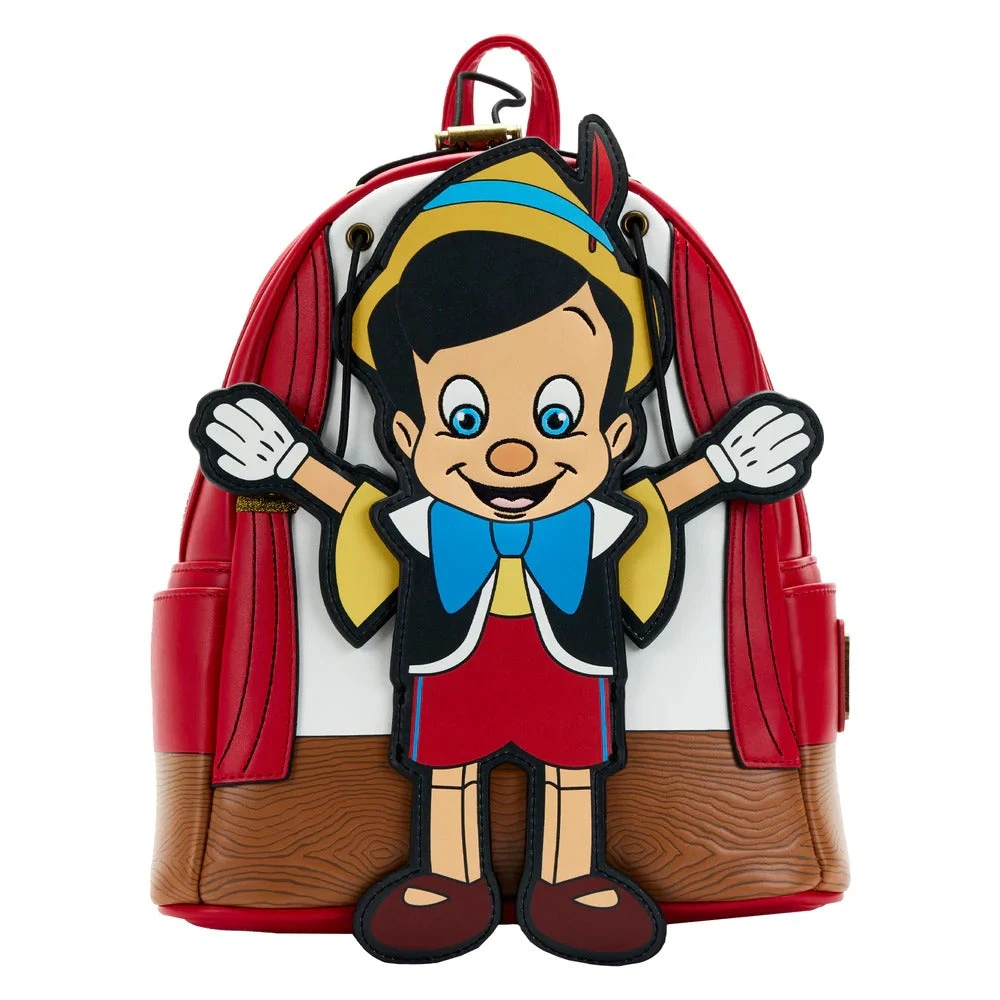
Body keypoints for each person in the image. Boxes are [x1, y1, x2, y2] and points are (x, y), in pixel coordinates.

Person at [190, 117, 822, 964]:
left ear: (617, 437)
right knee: (449, 760)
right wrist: (291, 464)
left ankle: (571, 878)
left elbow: (649, 509)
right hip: (458, 660)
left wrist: (723, 466)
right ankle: (447, 877)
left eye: (558, 417)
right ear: (405, 436)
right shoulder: (439, 520)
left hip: (566, 658)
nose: (513, 453)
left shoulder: (581, 515)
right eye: (465, 418)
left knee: (572, 760)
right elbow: (367, 513)